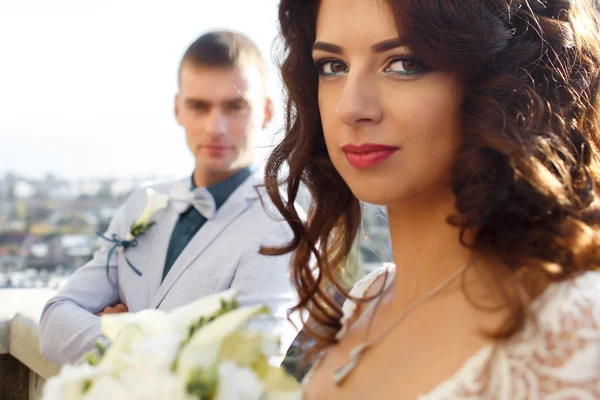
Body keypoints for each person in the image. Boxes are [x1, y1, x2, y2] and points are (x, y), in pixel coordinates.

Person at [264, 0, 600, 397]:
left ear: (499, 79)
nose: (350, 108)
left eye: (405, 64)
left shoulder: (577, 327)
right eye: (332, 66)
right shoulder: (366, 302)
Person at [40, 30, 297, 366]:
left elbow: (240, 374)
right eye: (199, 106)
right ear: (178, 109)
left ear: (265, 111)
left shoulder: (285, 230)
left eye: (235, 107)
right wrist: (153, 350)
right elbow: (53, 324)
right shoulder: (142, 202)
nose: (215, 127)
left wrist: (124, 334)